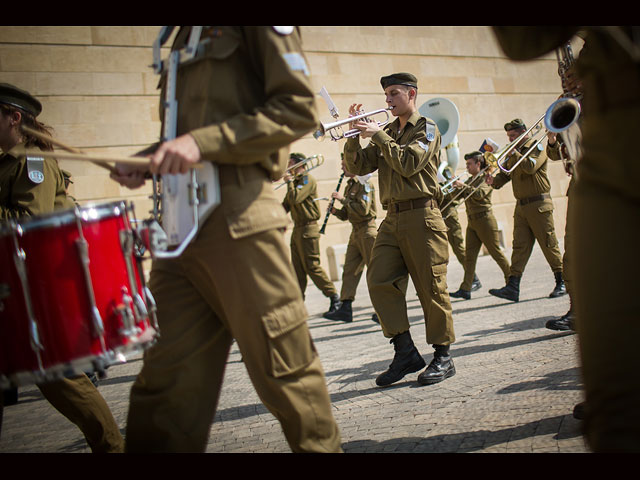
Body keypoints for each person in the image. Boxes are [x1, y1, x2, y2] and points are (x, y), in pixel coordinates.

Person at [110, 26, 342, 453]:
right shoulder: (180, 34)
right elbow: (192, 130)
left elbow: (298, 110)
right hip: (178, 229)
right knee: (163, 389)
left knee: (285, 371)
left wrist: (201, 143)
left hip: (238, 220)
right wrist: (152, 157)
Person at [491, 25, 640, 453]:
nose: (569, 81)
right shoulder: (591, 65)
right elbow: (521, 41)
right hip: (599, 172)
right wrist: (564, 126)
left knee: (562, 255)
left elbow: (534, 164)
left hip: (561, 192)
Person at [0, 82, 124, 453]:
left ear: (14, 117)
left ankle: (114, 450)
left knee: (60, 377)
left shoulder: (32, 161)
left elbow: (28, 221)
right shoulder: (11, 162)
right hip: (16, 284)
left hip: (33, 285)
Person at [343, 72, 456, 388]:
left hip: (422, 215)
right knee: (378, 279)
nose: (388, 100)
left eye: (394, 93)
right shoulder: (388, 131)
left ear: (412, 94)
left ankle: (443, 356)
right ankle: (404, 351)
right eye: (386, 95)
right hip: (391, 218)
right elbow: (357, 167)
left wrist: (378, 135)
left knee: (430, 287)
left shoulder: (428, 129)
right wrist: (354, 134)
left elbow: (409, 164)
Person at [484, 118, 566, 302]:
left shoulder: (536, 147)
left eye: (513, 136)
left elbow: (530, 167)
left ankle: (562, 281)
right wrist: (492, 181)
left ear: (523, 133)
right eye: (508, 136)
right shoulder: (515, 152)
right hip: (521, 206)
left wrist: (517, 152)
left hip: (539, 205)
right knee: (519, 246)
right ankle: (513, 286)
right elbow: (505, 175)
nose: (510, 139)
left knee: (548, 243)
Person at [282, 152, 341, 317]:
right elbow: (286, 205)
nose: (288, 165)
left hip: (309, 228)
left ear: (299, 164)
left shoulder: (307, 180)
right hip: (298, 229)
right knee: (297, 269)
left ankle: (334, 296)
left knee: (312, 267)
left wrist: (288, 183)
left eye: (291, 162)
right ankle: (297, 306)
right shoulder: (295, 183)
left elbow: (295, 198)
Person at [449, 151, 511, 300]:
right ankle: (466, 288)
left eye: (470, 164)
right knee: (469, 257)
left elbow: (478, 194)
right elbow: (458, 197)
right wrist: (454, 187)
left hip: (485, 221)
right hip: (473, 222)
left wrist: (462, 186)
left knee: (495, 253)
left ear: (478, 164)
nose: (467, 167)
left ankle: (511, 281)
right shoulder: (471, 180)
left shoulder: (486, 179)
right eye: (467, 164)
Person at [323, 157, 377, 323]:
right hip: (356, 232)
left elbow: (363, 210)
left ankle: (383, 310)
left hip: (367, 232)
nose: (342, 167)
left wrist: (342, 199)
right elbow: (348, 214)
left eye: (344, 164)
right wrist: (335, 211)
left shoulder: (365, 184)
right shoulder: (350, 186)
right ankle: (345, 308)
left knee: (375, 272)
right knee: (350, 270)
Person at [439, 164, 482, 293]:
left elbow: (451, 192)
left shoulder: (444, 169)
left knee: (458, 248)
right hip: (436, 212)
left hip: (448, 212)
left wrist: (437, 189)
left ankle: (473, 279)